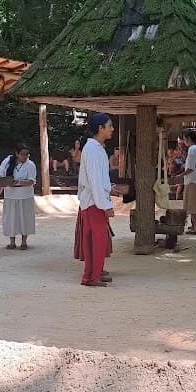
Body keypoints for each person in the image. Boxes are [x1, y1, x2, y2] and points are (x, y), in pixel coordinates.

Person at [77, 113, 115, 286]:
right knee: (96, 240)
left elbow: (99, 179)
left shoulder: (96, 148)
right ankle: (91, 276)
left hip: (95, 200)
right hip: (94, 202)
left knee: (98, 240)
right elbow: (95, 181)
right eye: (109, 126)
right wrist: (105, 205)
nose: (112, 129)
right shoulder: (92, 149)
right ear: (100, 128)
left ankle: (95, 272)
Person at [0, 143, 37, 250]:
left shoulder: (30, 165)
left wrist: (19, 182)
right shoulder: (7, 162)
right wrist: (4, 181)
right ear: (17, 153)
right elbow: (1, 175)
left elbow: (31, 181)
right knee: (11, 218)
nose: (24, 157)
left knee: (25, 218)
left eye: (26, 154)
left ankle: (24, 241)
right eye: (22, 154)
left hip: (25, 195)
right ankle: (12, 241)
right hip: (11, 195)